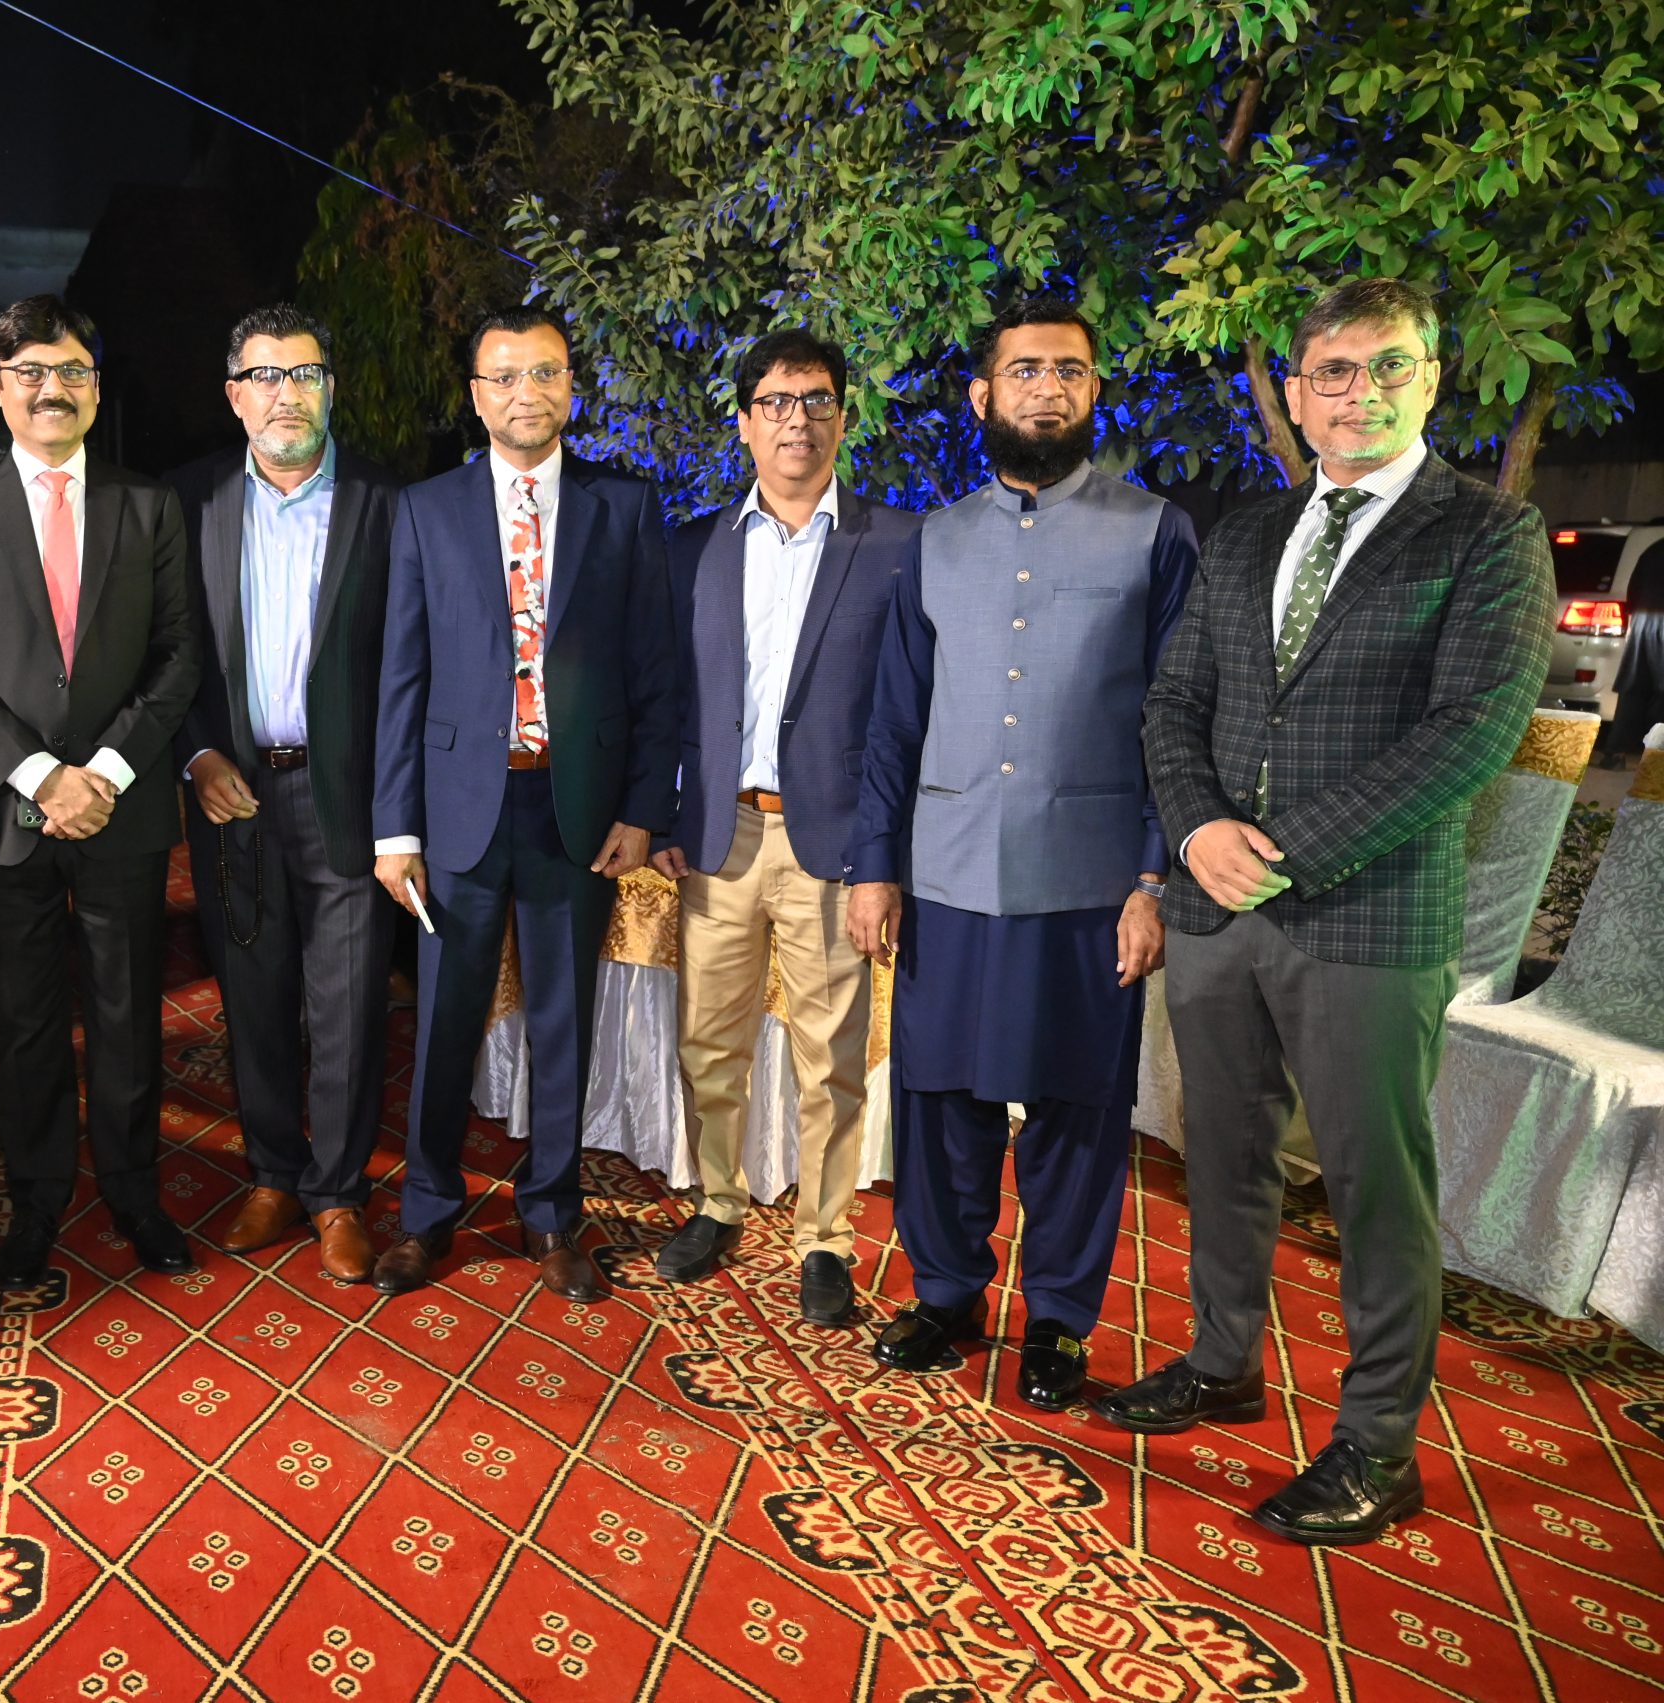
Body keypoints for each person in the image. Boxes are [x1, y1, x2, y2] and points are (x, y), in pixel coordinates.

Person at [1104, 278, 1556, 1544]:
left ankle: (1377, 1444)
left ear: (1431, 380)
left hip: (1368, 917)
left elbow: (1470, 734)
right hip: (1213, 908)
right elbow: (1173, 702)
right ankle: (1222, 1362)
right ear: (1298, 395)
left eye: (1389, 365)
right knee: (1221, 1154)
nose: (1361, 393)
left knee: (1374, 1183)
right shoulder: (1249, 530)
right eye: (1335, 371)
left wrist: (1282, 853)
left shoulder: (1488, 533)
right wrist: (1197, 830)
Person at [845, 293, 1196, 1411]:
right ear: (982, 394)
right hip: (944, 870)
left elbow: (1178, 721)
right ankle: (945, 1292)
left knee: (1077, 1112)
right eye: (1026, 369)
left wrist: (1152, 879)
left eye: (1070, 370)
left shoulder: (1154, 531)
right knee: (937, 1099)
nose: (1048, 387)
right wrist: (873, 864)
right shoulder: (935, 539)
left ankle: (1057, 1320)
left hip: (1090, 879)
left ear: (1094, 392)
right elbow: (893, 718)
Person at [371, 305, 677, 1299]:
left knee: (563, 1021)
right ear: (476, 396)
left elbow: (654, 670)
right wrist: (395, 827)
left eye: (544, 372)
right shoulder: (425, 509)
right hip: (459, 808)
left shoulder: (623, 507)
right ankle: (426, 1213)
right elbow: (401, 677)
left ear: (570, 388)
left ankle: (551, 1214)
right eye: (503, 376)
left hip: (575, 809)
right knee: (443, 1021)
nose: (525, 393)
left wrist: (643, 805)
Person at [0, 295, 202, 1289]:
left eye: (71, 369)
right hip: (10, 812)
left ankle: (133, 1190)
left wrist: (105, 773)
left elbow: (178, 653)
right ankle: (34, 1198)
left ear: (95, 386)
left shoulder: (148, 504)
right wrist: (41, 777)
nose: (52, 388)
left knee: (128, 1012)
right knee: (21, 1017)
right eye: (31, 371)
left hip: (122, 804)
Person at [648, 330, 918, 1317]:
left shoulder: (897, 545)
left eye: (815, 400)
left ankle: (824, 1237)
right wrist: (665, 811)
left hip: (832, 846)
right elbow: (668, 697)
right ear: (744, 422)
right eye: (774, 401)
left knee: (829, 1057)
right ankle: (718, 1200)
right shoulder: (693, 547)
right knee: (708, 1041)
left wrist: (882, 853)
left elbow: (905, 714)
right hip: (719, 836)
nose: (795, 419)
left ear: (843, 416)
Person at [172, 305, 402, 1285]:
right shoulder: (189, 501)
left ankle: (338, 1192)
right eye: (265, 376)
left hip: (349, 795)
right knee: (253, 995)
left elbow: (412, 663)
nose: (286, 394)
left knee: (347, 1005)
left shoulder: (388, 503)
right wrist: (195, 753)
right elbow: (170, 652)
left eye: (304, 374)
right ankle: (271, 1173)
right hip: (233, 794)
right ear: (235, 395)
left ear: (329, 388)